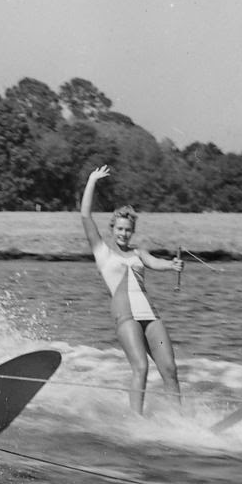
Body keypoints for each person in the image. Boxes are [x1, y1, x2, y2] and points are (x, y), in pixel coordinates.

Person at [80, 165, 184, 415]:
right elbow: (85, 216)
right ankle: (137, 420)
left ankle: (179, 422)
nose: (124, 234)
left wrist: (172, 265)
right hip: (125, 316)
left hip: (149, 315)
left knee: (169, 369)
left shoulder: (139, 253)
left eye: (128, 230)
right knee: (141, 368)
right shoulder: (102, 252)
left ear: (132, 231)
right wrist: (92, 181)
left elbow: (154, 262)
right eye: (120, 229)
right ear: (112, 229)